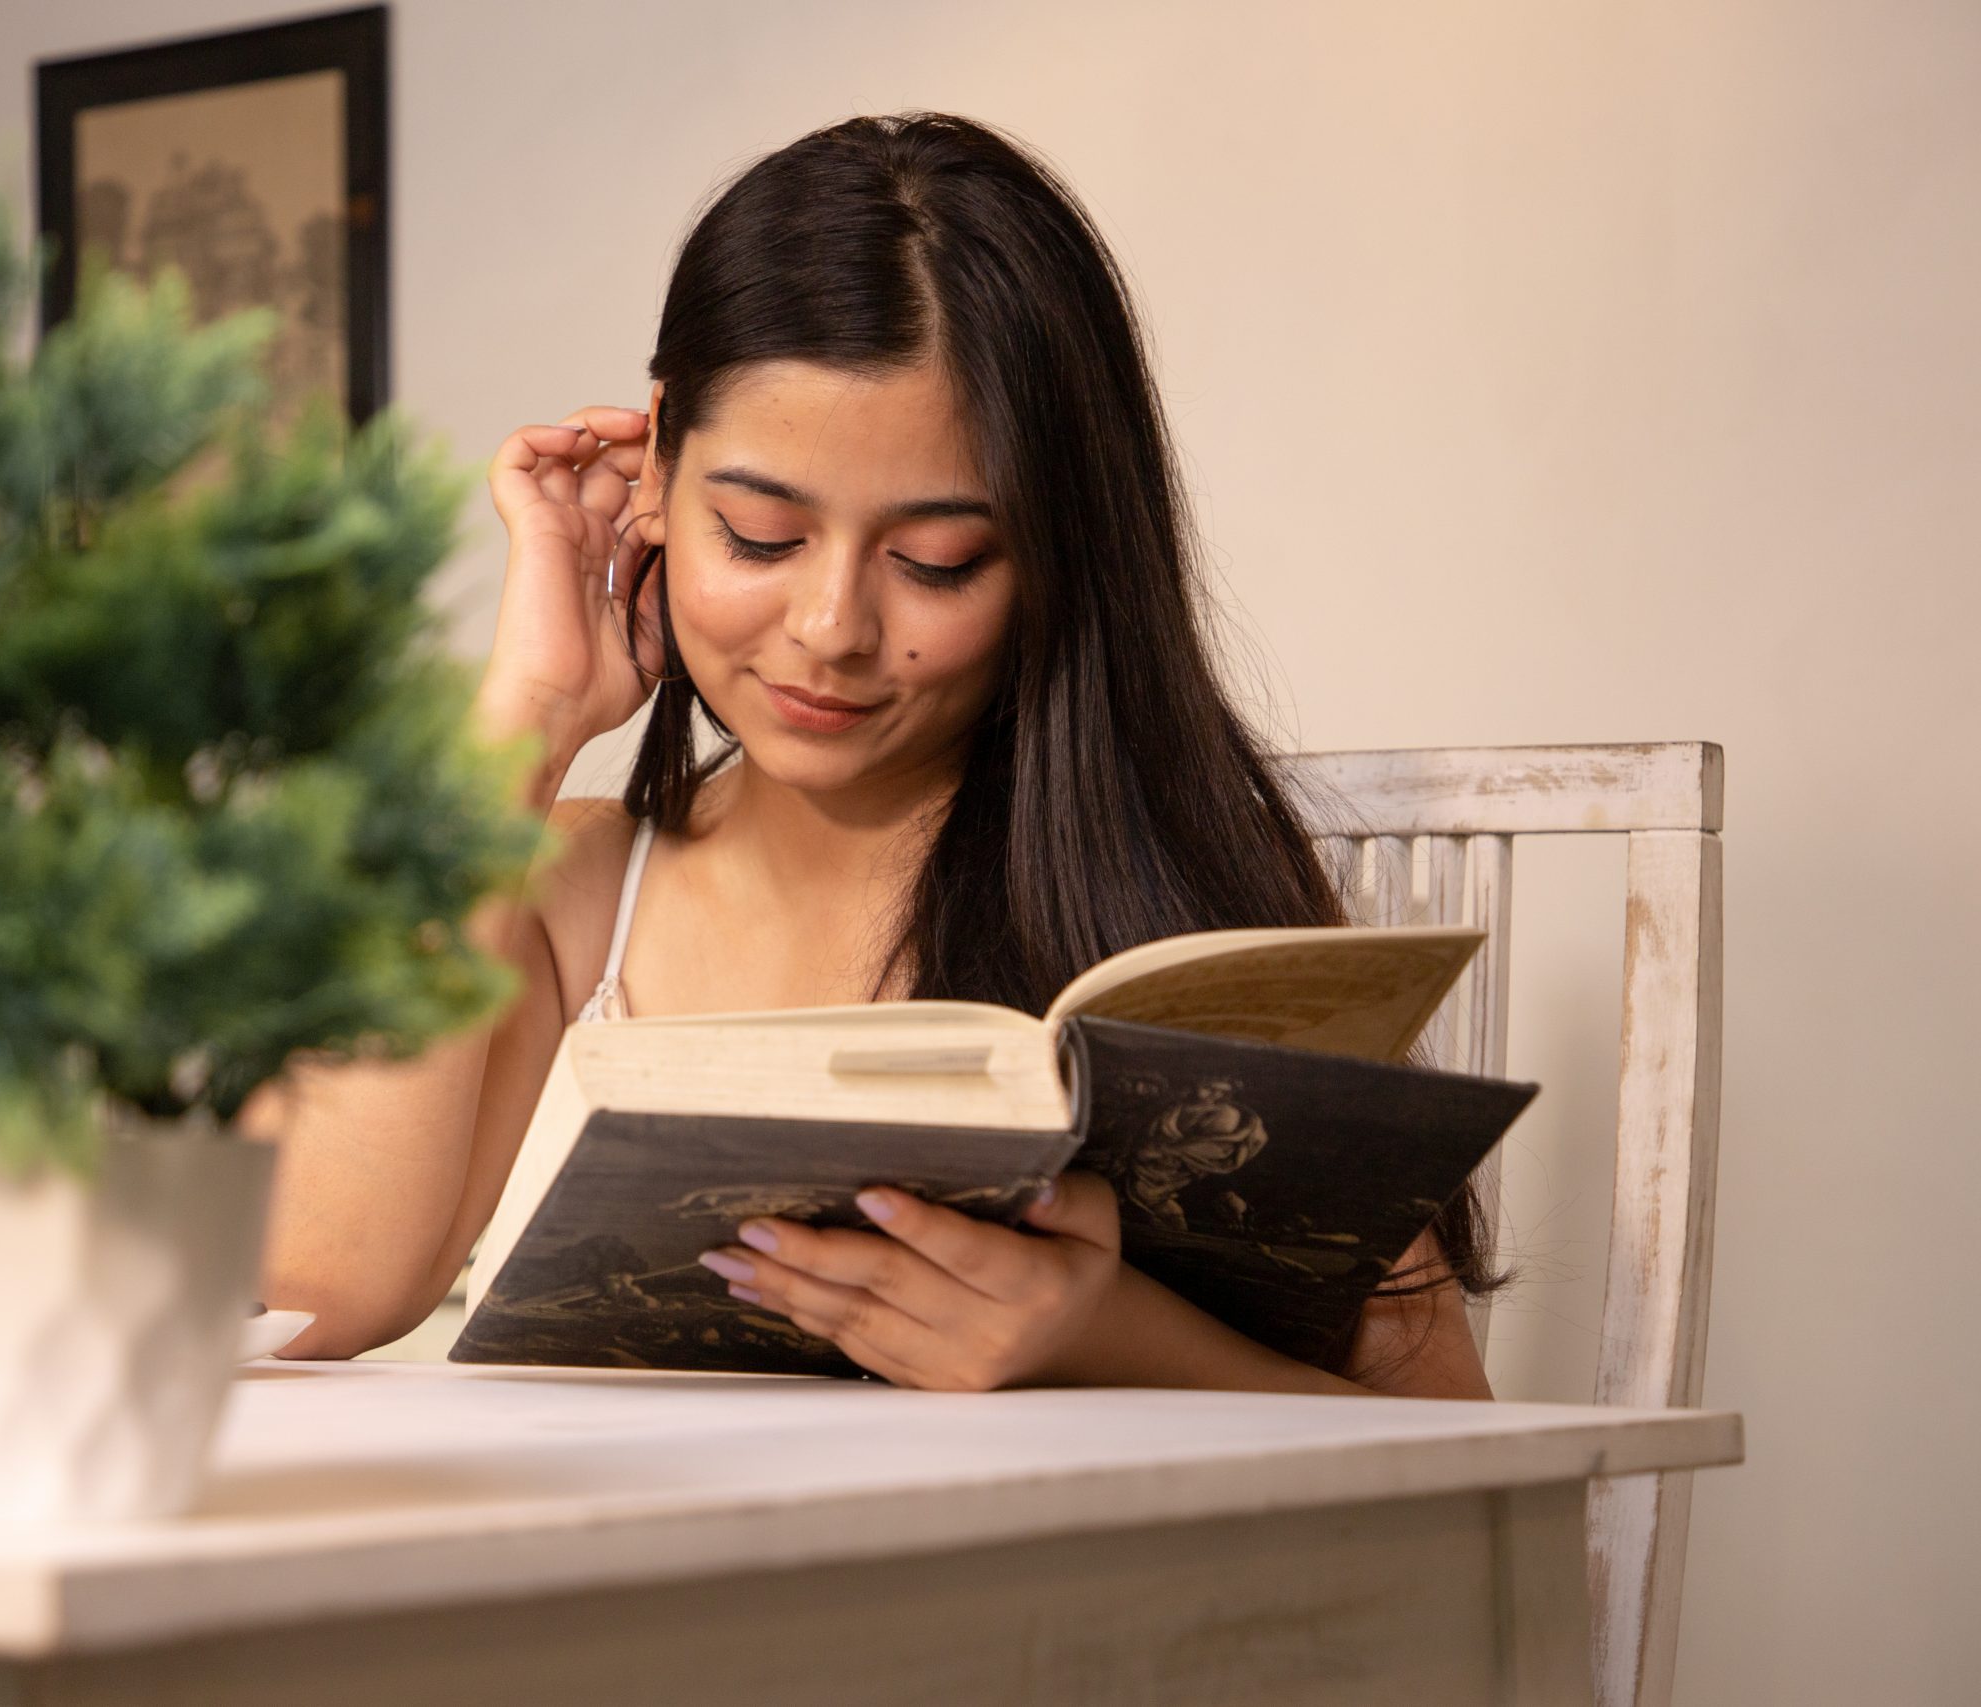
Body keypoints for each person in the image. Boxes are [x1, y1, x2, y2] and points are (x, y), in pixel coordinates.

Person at [250, 111, 1496, 1398]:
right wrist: (524, 717)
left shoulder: (1159, 905)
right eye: (759, 536)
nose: (833, 630)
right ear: (658, 468)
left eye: (936, 563)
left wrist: (1105, 1339)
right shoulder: (559, 894)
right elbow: (311, 1286)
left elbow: (1471, 1461)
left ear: (1057, 553)